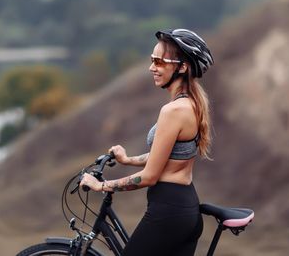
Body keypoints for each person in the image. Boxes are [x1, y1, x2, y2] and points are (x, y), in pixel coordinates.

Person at [80, 28, 214, 256]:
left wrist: (100, 186)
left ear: (182, 67)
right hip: (183, 211)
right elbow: (169, 156)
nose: (152, 67)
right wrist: (128, 159)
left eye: (159, 61)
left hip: (168, 214)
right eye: (152, 60)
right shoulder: (192, 104)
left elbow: (149, 176)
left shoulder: (173, 111)